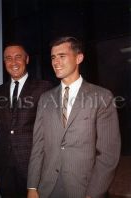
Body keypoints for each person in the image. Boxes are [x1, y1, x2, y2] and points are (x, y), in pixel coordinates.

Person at [27, 36, 121, 198]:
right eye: (53, 57)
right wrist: (32, 187)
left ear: (79, 58)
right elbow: (38, 147)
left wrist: (93, 193)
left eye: (62, 56)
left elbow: (108, 154)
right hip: (48, 188)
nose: (56, 62)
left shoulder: (102, 97)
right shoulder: (45, 99)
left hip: (84, 189)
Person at [0, 42, 52, 198]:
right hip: (5, 166)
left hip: (33, 166)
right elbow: (1, 130)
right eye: (8, 58)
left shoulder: (44, 87)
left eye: (18, 57)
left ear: (27, 59)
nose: (13, 62)